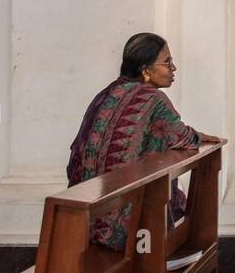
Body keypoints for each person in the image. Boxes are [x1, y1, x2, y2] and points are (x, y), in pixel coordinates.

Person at [66, 32, 220, 250]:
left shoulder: (107, 93)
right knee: (161, 195)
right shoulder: (153, 99)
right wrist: (197, 135)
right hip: (124, 227)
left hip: (87, 219)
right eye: (167, 62)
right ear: (146, 71)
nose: (173, 69)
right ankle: (167, 256)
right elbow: (182, 138)